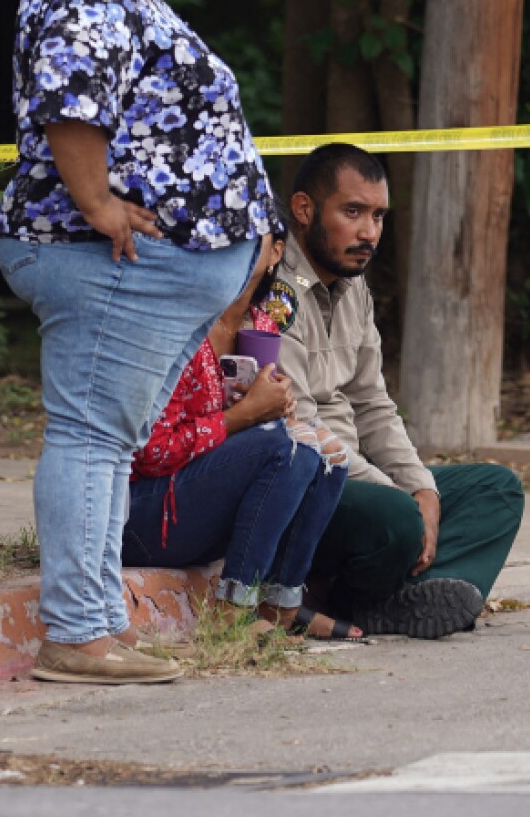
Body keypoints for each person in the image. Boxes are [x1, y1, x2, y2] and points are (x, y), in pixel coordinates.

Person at [0, 0, 279, 686]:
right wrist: (96, 204)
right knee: (90, 438)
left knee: (107, 442)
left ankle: (98, 625)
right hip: (99, 255)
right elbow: (71, 99)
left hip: (142, 269)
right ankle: (77, 633)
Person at [273, 142, 528, 639]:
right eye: (353, 212)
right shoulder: (273, 288)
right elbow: (301, 429)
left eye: (378, 216)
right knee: (397, 518)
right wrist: (402, 500)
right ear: (304, 210)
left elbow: (374, 407)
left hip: (358, 477)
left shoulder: (355, 286)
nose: (369, 232)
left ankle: (398, 599)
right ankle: (367, 599)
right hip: (306, 479)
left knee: (497, 489)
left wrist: (423, 489)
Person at [121, 236, 363, 641]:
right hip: (145, 517)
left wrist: (275, 412)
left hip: (201, 512)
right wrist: (244, 417)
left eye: (249, 234)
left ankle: (281, 604)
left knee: (326, 452)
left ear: (276, 253)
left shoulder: (262, 325)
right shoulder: (179, 325)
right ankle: (231, 609)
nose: (230, 242)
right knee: (284, 447)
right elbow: (152, 453)